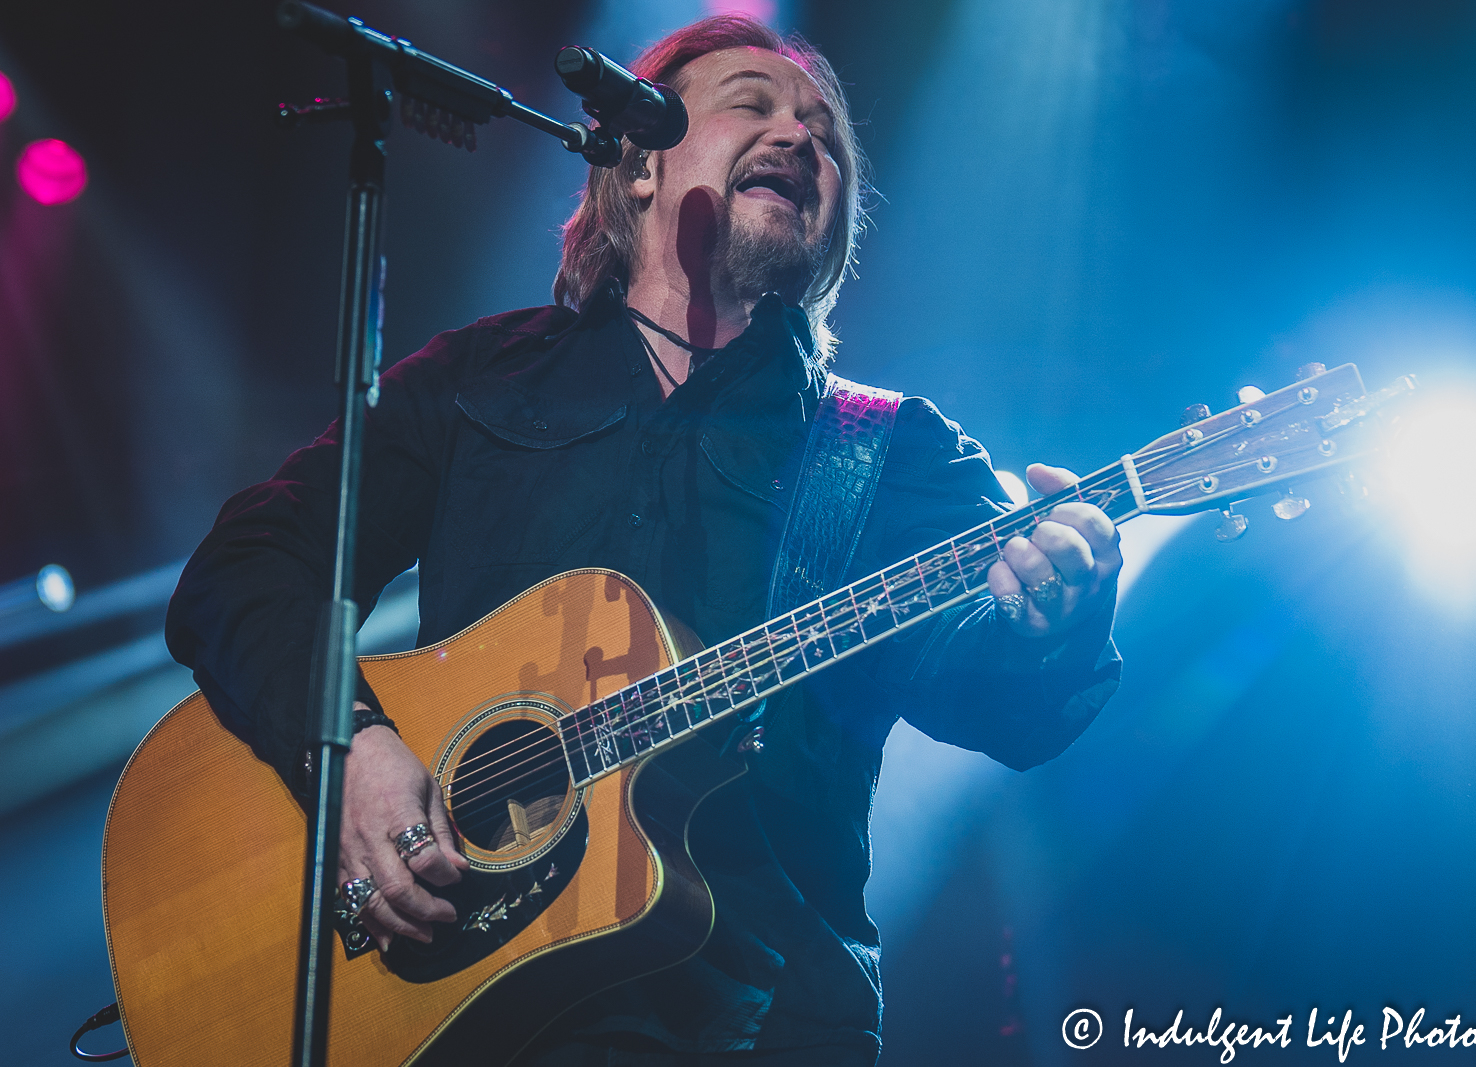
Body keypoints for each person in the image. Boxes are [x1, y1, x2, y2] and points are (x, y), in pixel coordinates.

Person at [166, 15, 1123, 1066]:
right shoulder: (477, 380)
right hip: (457, 1008)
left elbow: (994, 697)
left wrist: (1053, 624)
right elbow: (246, 565)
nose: (802, 138)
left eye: (825, 134)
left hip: (767, 1018)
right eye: (751, 105)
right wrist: (350, 752)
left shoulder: (888, 449)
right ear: (635, 166)